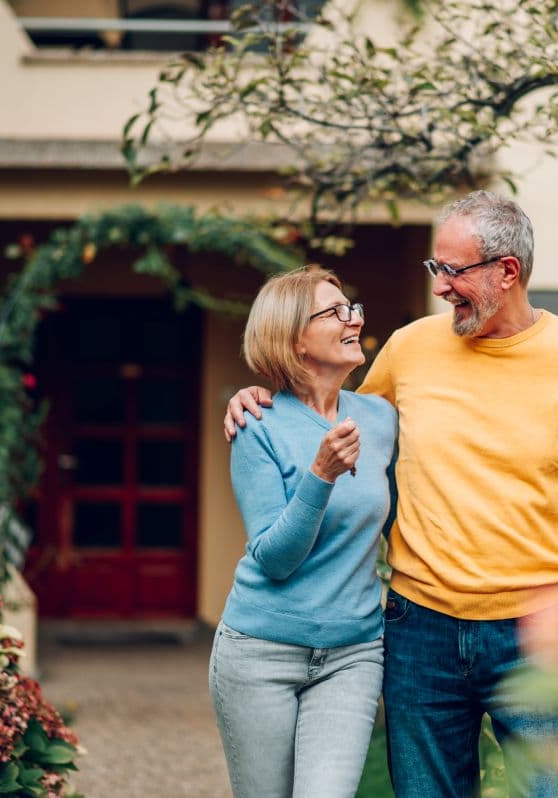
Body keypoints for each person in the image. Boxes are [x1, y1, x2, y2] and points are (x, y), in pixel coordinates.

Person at [224, 191, 558, 797]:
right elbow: (329, 414)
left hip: (541, 634)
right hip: (418, 631)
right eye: (436, 269)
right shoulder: (410, 349)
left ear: (506, 273)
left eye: (453, 271)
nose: (440, 288)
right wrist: (258, 397)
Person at [210, 265, 398, 798]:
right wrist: (321, 475)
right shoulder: (256, 426)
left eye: (353, 309)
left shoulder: (381, 419)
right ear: (294, 338)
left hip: (353, 653)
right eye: (335, 312)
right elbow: (275, 558)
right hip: (259, 651)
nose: (353, 320)